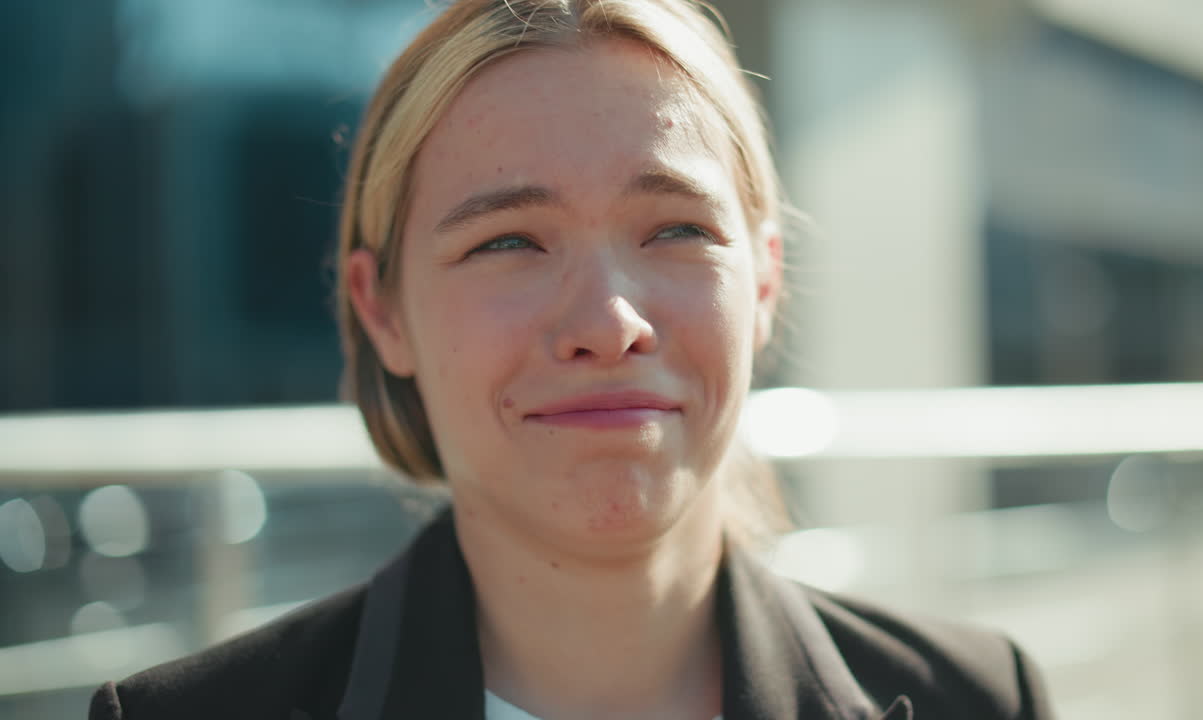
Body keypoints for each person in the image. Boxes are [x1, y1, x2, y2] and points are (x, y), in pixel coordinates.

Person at [89, 1, 1056, 718]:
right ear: (382, 311)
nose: (608, 320)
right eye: (508, 241)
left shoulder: (979, 700)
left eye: (676, 228)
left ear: (762, 283)